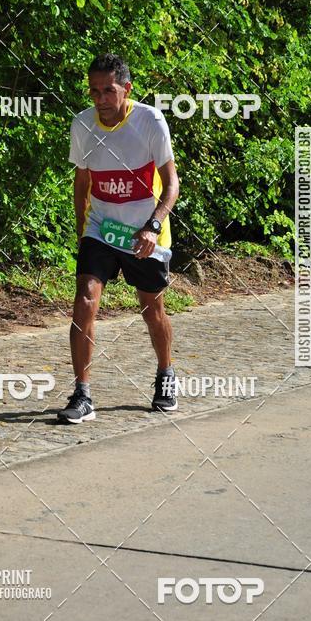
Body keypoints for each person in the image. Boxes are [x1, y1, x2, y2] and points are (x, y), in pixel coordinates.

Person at [58, 53, 180, 424]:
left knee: (151, 309)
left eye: (108, 91)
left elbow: (172, 183)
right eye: (94, 91)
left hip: (145, 231)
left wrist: (153, 226)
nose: (100, 100)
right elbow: (82, 182)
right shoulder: (82, 124)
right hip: (101, 228)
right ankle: (82, 394)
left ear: (126, 89)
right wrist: (83, 232)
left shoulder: (149, 121)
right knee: (84, 301)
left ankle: (166, 373)